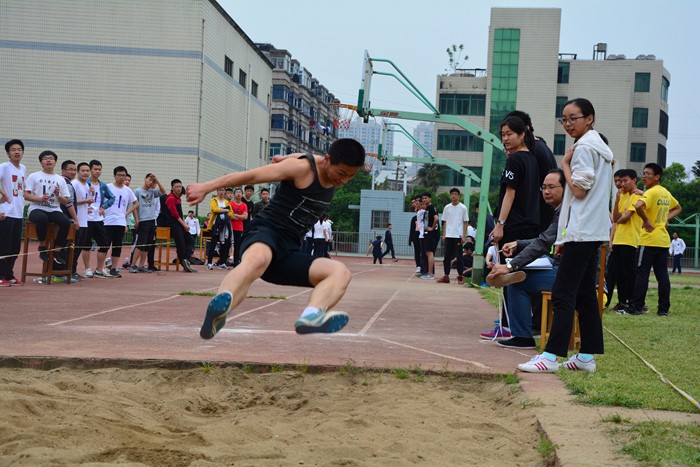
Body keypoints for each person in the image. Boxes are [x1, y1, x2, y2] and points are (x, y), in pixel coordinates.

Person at [186, 138, 366, 339]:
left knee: (340, 273)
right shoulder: (302, 169)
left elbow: (300, 157)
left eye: (350, 177)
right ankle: (220, 307)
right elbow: (250, 176)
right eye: (341, 173)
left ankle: (312, 316)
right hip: (266, 231)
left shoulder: (319, 164)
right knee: (257, 260)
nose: (342, 181)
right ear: (327, 160)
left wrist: (283, 157)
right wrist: (206, 187)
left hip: (289, 249)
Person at [518, 98, 613, 374]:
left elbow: (579, 191)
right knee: (584, 293)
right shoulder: (601, 149)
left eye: (574, 118)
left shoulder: (583, 148)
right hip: (589, 231)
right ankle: (586, 357)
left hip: (583, 232)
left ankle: (550, 356)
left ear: (590, 118)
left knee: (563, 292)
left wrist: (565, 165)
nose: (568, 124)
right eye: (564, 119)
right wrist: (563, 237)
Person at [486, 169, 565, 349]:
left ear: (566, 188)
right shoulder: (561, 211)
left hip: (570, 275)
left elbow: (544, 242)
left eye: (552, 187)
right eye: (543, 187)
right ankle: (525, 331)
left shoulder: (566, 212)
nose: (546, 191)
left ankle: (523, 336)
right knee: (518, 274)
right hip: (560, 267)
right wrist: (518, 243)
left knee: (517, 279)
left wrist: (511, 265)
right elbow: (547, 239)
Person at [625, 163, 682, 316]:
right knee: (662, 276)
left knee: (642, 273)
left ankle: (636, 307)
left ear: (657, 177)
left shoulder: (651, 192)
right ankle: (663, 310)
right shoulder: (665, 192)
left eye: (648, 174)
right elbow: (678, 207)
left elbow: (638, 206)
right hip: (663, 240)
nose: (644, 176)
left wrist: (646, 221)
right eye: (643, 173)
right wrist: (665, 219)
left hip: (648, 239)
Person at [505, 110, 558, 232]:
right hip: (540, 216)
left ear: (526, 129)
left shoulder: (532, 150)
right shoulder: (539, 146)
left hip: (536, 219)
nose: (507, 138)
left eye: (511, 132)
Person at [23, 151, 71, 266]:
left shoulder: (60, 179)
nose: (48, 160)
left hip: (54, 209)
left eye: (51, 158)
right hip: (37, 208)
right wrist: (40, 199)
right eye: (45, 158)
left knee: (65, 221)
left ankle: (57, 250)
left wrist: (58, 195)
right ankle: (43, 245)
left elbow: (66, 200)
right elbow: (25, 195)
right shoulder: (34, 176)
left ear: (55, 163)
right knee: (41, 218)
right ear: (41, 163)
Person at [608, 169, 643, 311]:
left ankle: (633, 303)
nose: (622, 184)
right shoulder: (621, 196)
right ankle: (620, 302)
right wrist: (616, 199)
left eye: (625, 180)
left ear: (634, 180)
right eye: (619, 181)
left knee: (629, 274)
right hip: (618, 240)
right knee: (613, 273)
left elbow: (623, 218)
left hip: (630, 240)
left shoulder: (637, 196)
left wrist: (618, 218)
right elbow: (616, 219)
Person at [102, 166, 138, 278]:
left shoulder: (128, 190)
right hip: (107, 221)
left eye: (123, 175)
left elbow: (136, 203)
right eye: (119, 175)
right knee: (105, 244)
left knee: (117, 245)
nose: (121, 177)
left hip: (120, 221)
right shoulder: (107, 187)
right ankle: (101, 268)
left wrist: (126, 213)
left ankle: (113, 268)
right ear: (114, 175)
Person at [0, 139, 27, 286]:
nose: (17, 152)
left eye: (19, 149)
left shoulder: (23, 168)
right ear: (7, 153)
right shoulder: (4, 167)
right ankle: (0, 275)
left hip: (18, 213)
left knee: (15, 247)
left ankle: (9, 274)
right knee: (3, 246)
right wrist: (3, 194)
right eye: (13, 149)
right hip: (5, 212)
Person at [83, 159, 116, 278]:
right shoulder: (84, 183)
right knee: (85, 245)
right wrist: (84, 207)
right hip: (86, 219)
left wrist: (103, 207)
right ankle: (87, 268)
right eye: (95, 169)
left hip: (99, 219)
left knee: (104, 243)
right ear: (90, 170)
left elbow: (112, 198)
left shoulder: (102, 185)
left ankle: (99, 269)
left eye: (99, 169)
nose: (97, 171)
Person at [159, 179, 196, 272]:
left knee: (191, 240)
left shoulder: (178, 198)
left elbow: (180, 214)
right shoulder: (170, 198)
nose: (179, 188)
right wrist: (184, 225)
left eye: (180, 186)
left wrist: (184, 225)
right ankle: (183, 261)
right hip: (172, 224)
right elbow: (175, 215)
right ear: (172, 188)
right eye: (176, 187)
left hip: (179, 224)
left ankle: (184, 258)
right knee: (181, 242)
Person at [131, 173, 165, 273]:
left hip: (151, 221)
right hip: (143, 220)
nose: (151, 183)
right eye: (150, 180)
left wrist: (157, 180)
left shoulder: (152, 192)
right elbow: (134, 207)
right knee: (140, 244)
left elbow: (163, 191)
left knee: (148, 245)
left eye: (153, 182)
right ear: (145, 179)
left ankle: (141, 265)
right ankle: (133, 265)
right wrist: (137, 220)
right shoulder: (137, 191)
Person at [437, 188, 469, 285]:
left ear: (458, 196)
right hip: (449, 235)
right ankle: (446, 275)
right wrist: (444, 234)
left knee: (459, 257)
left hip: (458, 235)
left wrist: (464, 236)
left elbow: (465, 222)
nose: (454, 196)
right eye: (452, 194)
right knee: (447, 257)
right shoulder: (447, 207)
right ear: (450, 195)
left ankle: (460, 276)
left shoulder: (463, 208)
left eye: (456, 194)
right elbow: (445, 221)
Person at [70, 162, 93, 279]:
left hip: (85, 220)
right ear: (78, 172)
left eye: (87, 171)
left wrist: (87, 207)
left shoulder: (87, 186)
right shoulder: (74, 184)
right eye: (83, 171)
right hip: (76, 220)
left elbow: (84, 201)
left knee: (79, 248)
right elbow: (71, 202)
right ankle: (69, 270)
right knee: (73, 248)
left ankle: (73, 270)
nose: (85, 173)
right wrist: (85, 202)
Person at [206, 187, 233, 270]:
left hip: (225, 226)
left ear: (225, 192)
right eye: (220, 190)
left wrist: (223, 210)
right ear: (217, 191)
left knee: (224, 244)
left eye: (223, 190)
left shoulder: (226, 202)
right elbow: (214, 209)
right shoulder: (213, 200)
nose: (221, 192)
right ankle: (209, 262)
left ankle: (222, 262)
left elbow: (231, 213)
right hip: (215, 225)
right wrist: (225, 210)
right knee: (213, 243)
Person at [419, 192, 440, 280]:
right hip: (429, 233)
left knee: (430, 252)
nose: (424, 200)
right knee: (428, 252)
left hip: (432, 233)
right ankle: (429, 272)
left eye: (426, 198)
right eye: (423, 198)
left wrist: (432, 227)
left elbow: (436, 218)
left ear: (430, 199)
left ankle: (430, 273)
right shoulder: (427, 209)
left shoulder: (431, 208)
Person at [228, 187, 248, 266]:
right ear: (234, 194)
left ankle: (236, 261)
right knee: (228, 244)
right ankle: (225, 260)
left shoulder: (244, 205)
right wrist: (240, 216)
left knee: (237, 245)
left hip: (239, 227)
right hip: (231, 227)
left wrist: (235, 215)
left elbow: (245, 217)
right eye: (237, 192)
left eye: (240, 192)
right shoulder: (231, 204)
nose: (238, 194)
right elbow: (230, 216)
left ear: (242, 194)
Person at [408, 196, 422, 275]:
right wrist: (410, 239)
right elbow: (412, 229)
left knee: (422, 252)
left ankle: (423, 265)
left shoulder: (424, 215)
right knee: (417, 251)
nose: (416, 206)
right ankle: (418, 266)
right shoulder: (414, 218)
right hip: (416, 236)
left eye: (417, 204)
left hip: (423, 236)